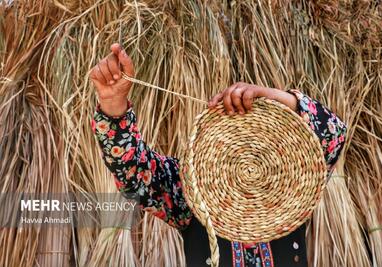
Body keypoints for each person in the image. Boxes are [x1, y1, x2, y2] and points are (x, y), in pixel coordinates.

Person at [90, 43, 347, 267]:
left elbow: (333, 133)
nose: (245, 158)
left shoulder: (293, 188)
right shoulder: (191, 190)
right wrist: (113, 105)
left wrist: (272, 96)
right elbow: (136, 175)